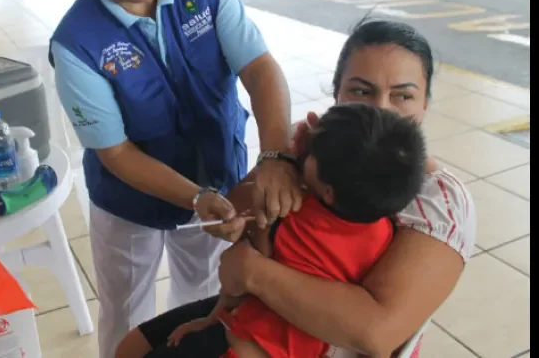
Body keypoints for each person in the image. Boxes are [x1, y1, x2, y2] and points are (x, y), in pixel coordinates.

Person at [51, 0, 299, 357]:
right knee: (126, 313)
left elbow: (260, 71)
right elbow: (117, 153)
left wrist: (275, 158)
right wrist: (193, 196)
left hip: (218, 180)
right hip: (129, 203)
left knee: (202, 299)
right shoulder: (77, 42)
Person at [117, 20, 477, 358]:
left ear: (426, 101)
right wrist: (281, 163)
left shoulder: (437, 201)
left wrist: (253, 271)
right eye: (361, 91)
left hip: (322, 342)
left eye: (402, 96)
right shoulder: (308, 148)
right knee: (132, 347)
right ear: (336, 92)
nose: (379, 110)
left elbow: (375, 332)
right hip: (258, 308)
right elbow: (226, 223)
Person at [161, 103, 427, 358]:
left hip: (238, 344)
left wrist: (209, 320)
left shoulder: (290, 216)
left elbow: (236, 282)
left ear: (329, 192)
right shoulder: (389, 232)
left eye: (311, 154)